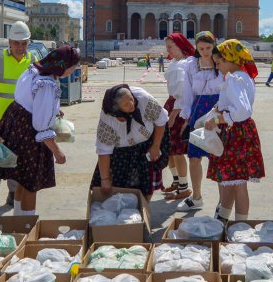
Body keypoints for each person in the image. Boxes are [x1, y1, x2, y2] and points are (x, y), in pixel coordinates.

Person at [0, 46, 81, 216]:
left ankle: (18, 222)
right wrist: (57, 151)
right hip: (29, 134)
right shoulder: (46, 84)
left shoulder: (34, 70)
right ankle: (26, 226)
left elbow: (29, 99)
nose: (72, 71)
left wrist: (52, 110)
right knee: (31, 183)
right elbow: (41, 126)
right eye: (73, 67)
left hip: (15, 124)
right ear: (64, 65)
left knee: (22, 180)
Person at [204, 39, 265, 221]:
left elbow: (242, 110)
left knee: (237, 183)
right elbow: (232, 103)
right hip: (239, 133)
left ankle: (240, 224)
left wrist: (219, 119)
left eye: (219, 62)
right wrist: (217, 110)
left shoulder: (234, 79)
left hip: (235, 133)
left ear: (230, 59)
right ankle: (224, 219)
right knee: (230, 181)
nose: (217, 66)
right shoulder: (242, 77)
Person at [0, 21, 33, 212]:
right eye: (16, 43)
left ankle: (13, 193)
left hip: (22, 120)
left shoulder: (33, 60)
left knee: (15, 158)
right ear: (9, 42)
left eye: (24, 43)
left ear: (28, 43)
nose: (20, 47)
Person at [92, 84, 169, 200]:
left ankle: (144, 207)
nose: (132, 105)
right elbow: (104, 150)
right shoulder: (107, 118)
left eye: (131, 99)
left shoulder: (143, 98)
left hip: (147, 143)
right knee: (117, 184)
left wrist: (155, 146)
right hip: (121, 151)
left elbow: (161, 120)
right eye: (126, 104)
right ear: (116, 108)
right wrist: (105, 180)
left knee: (146, 182)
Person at [178, 32, 225, 212]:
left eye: (208, 48)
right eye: (201, 49)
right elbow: (188, 90)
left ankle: (223, 202)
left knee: (218, 155)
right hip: (198, 110)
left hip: (217, 110)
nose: (205, 52)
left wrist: (222, 111)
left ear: (214, 45)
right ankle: (196, 197)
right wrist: (187, 113)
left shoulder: (221, 63)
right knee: (194, 157)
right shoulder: (191, 65)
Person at [162, 33, 195, 201]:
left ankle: (184, 187)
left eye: (171, 47)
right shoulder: (175, 63)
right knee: (169, 149)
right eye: (167, 47)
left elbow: (183, 92)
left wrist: (174, 114)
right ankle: (176, 181)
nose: (168, 50)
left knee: (177, 151)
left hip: (178, 107)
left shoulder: (184, 64)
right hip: (171, 104)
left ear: (180, 46)